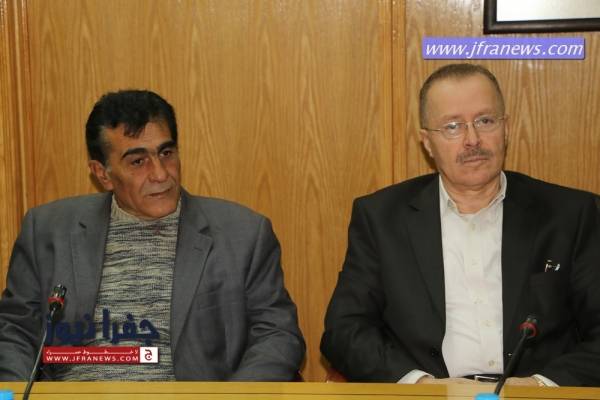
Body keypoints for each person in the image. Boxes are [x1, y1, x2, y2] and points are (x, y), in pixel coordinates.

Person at [321, 63, 600, 387]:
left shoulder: (571, 214)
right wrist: (421, 386)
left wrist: (537, 385)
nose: (472, 140)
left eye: (485, 121)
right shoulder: (382, 218)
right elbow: (345, 330)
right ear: (427, 142)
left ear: (506, 128)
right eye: (452, 126)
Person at [0, 89, 305, 381]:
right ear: (102, 173)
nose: (161, 174)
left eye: (166, 153)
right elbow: (15, 331)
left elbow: (278, 335)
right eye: (138, 161)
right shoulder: (47, 230)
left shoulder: (243, 234)